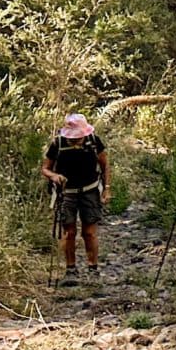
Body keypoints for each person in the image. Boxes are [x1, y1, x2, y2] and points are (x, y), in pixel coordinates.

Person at [43, 113, 109, 280]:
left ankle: (92, 269)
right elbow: (45, 168)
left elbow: (105, 166)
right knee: (69, 232)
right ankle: (70, 270)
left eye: (79, 138)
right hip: (66, 193)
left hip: (90, 190)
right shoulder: (57, 143)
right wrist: (54, 177)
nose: (76, 141)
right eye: (73, 139)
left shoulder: (94, 141)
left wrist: (106, 188)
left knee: (89, 232)